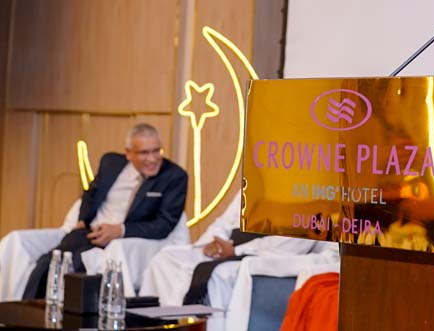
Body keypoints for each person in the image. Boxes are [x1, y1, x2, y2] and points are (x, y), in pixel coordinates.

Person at [20, 123, 187, 299]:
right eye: (144, 153)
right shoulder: (111, 163)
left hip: (121, 242)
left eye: (157, 151)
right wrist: (82, 220)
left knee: (76, 269)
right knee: (46, 264)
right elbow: (90, 192)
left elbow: (163, 225)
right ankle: (26, 310)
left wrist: (120, 230)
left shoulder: (174, 177)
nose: (152, 159)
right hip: (88, 233)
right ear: (128, 153)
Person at [140, 194, 320, 310]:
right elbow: (224, 222)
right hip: (225, 247)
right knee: (166, 259)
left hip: (258, 256)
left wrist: (235, 251)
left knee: (217, 274)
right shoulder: (255, 184)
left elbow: (290, 244)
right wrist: (213, 243)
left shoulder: (309, 193)